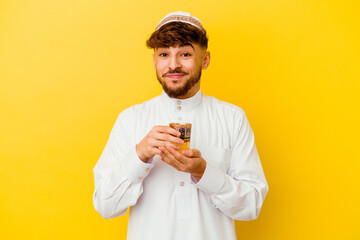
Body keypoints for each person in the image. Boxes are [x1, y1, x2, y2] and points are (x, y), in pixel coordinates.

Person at [93, 11, 268, 240]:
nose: (173, 65)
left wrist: (203, 171)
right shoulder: (130, 120)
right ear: (155, 60)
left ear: (204, 60)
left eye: (185, 54)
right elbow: (106, 206)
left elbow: (252, 205)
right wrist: (139, 155)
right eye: (164, 54)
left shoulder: (232, 118)